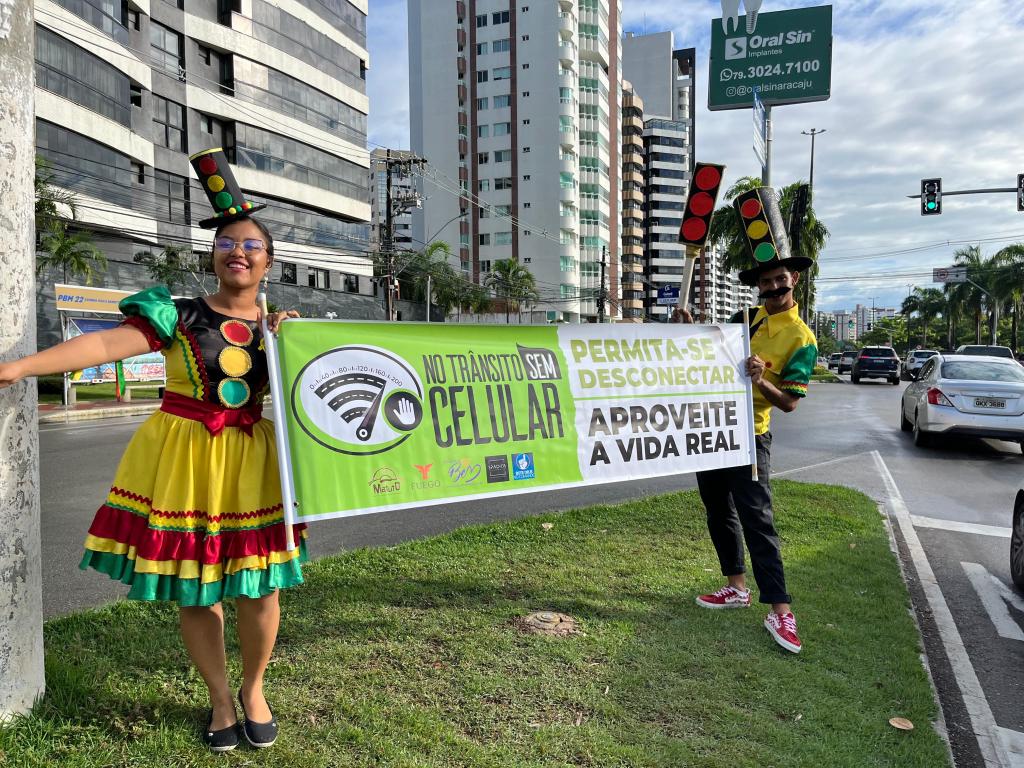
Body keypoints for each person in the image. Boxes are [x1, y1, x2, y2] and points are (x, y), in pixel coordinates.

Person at [0, 206, 305, 750]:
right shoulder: (178, 315)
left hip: (251, 468)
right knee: (197, 589)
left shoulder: (282, 329)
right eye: (226, 243)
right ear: (213, 257)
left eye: (251, 245)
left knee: (262, 587)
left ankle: (255, 690)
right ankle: (219, 700)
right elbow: (103, 346)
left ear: (269, 262)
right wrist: (21, 366)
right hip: (185, 460)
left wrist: (297, 345)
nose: (238, 251)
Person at [674, 257, 816, 655]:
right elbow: (708, 355)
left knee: (757, 520)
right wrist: (687, 334)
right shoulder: (744, 318)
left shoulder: (802, 338)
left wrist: (761, 379)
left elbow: (789, 402)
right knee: (718, 510)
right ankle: (736, 588)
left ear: (794, 280)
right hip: (712, 428)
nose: (772, 288)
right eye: (765, 282)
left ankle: (781, 610)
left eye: (779, 281)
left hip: (750, 436)